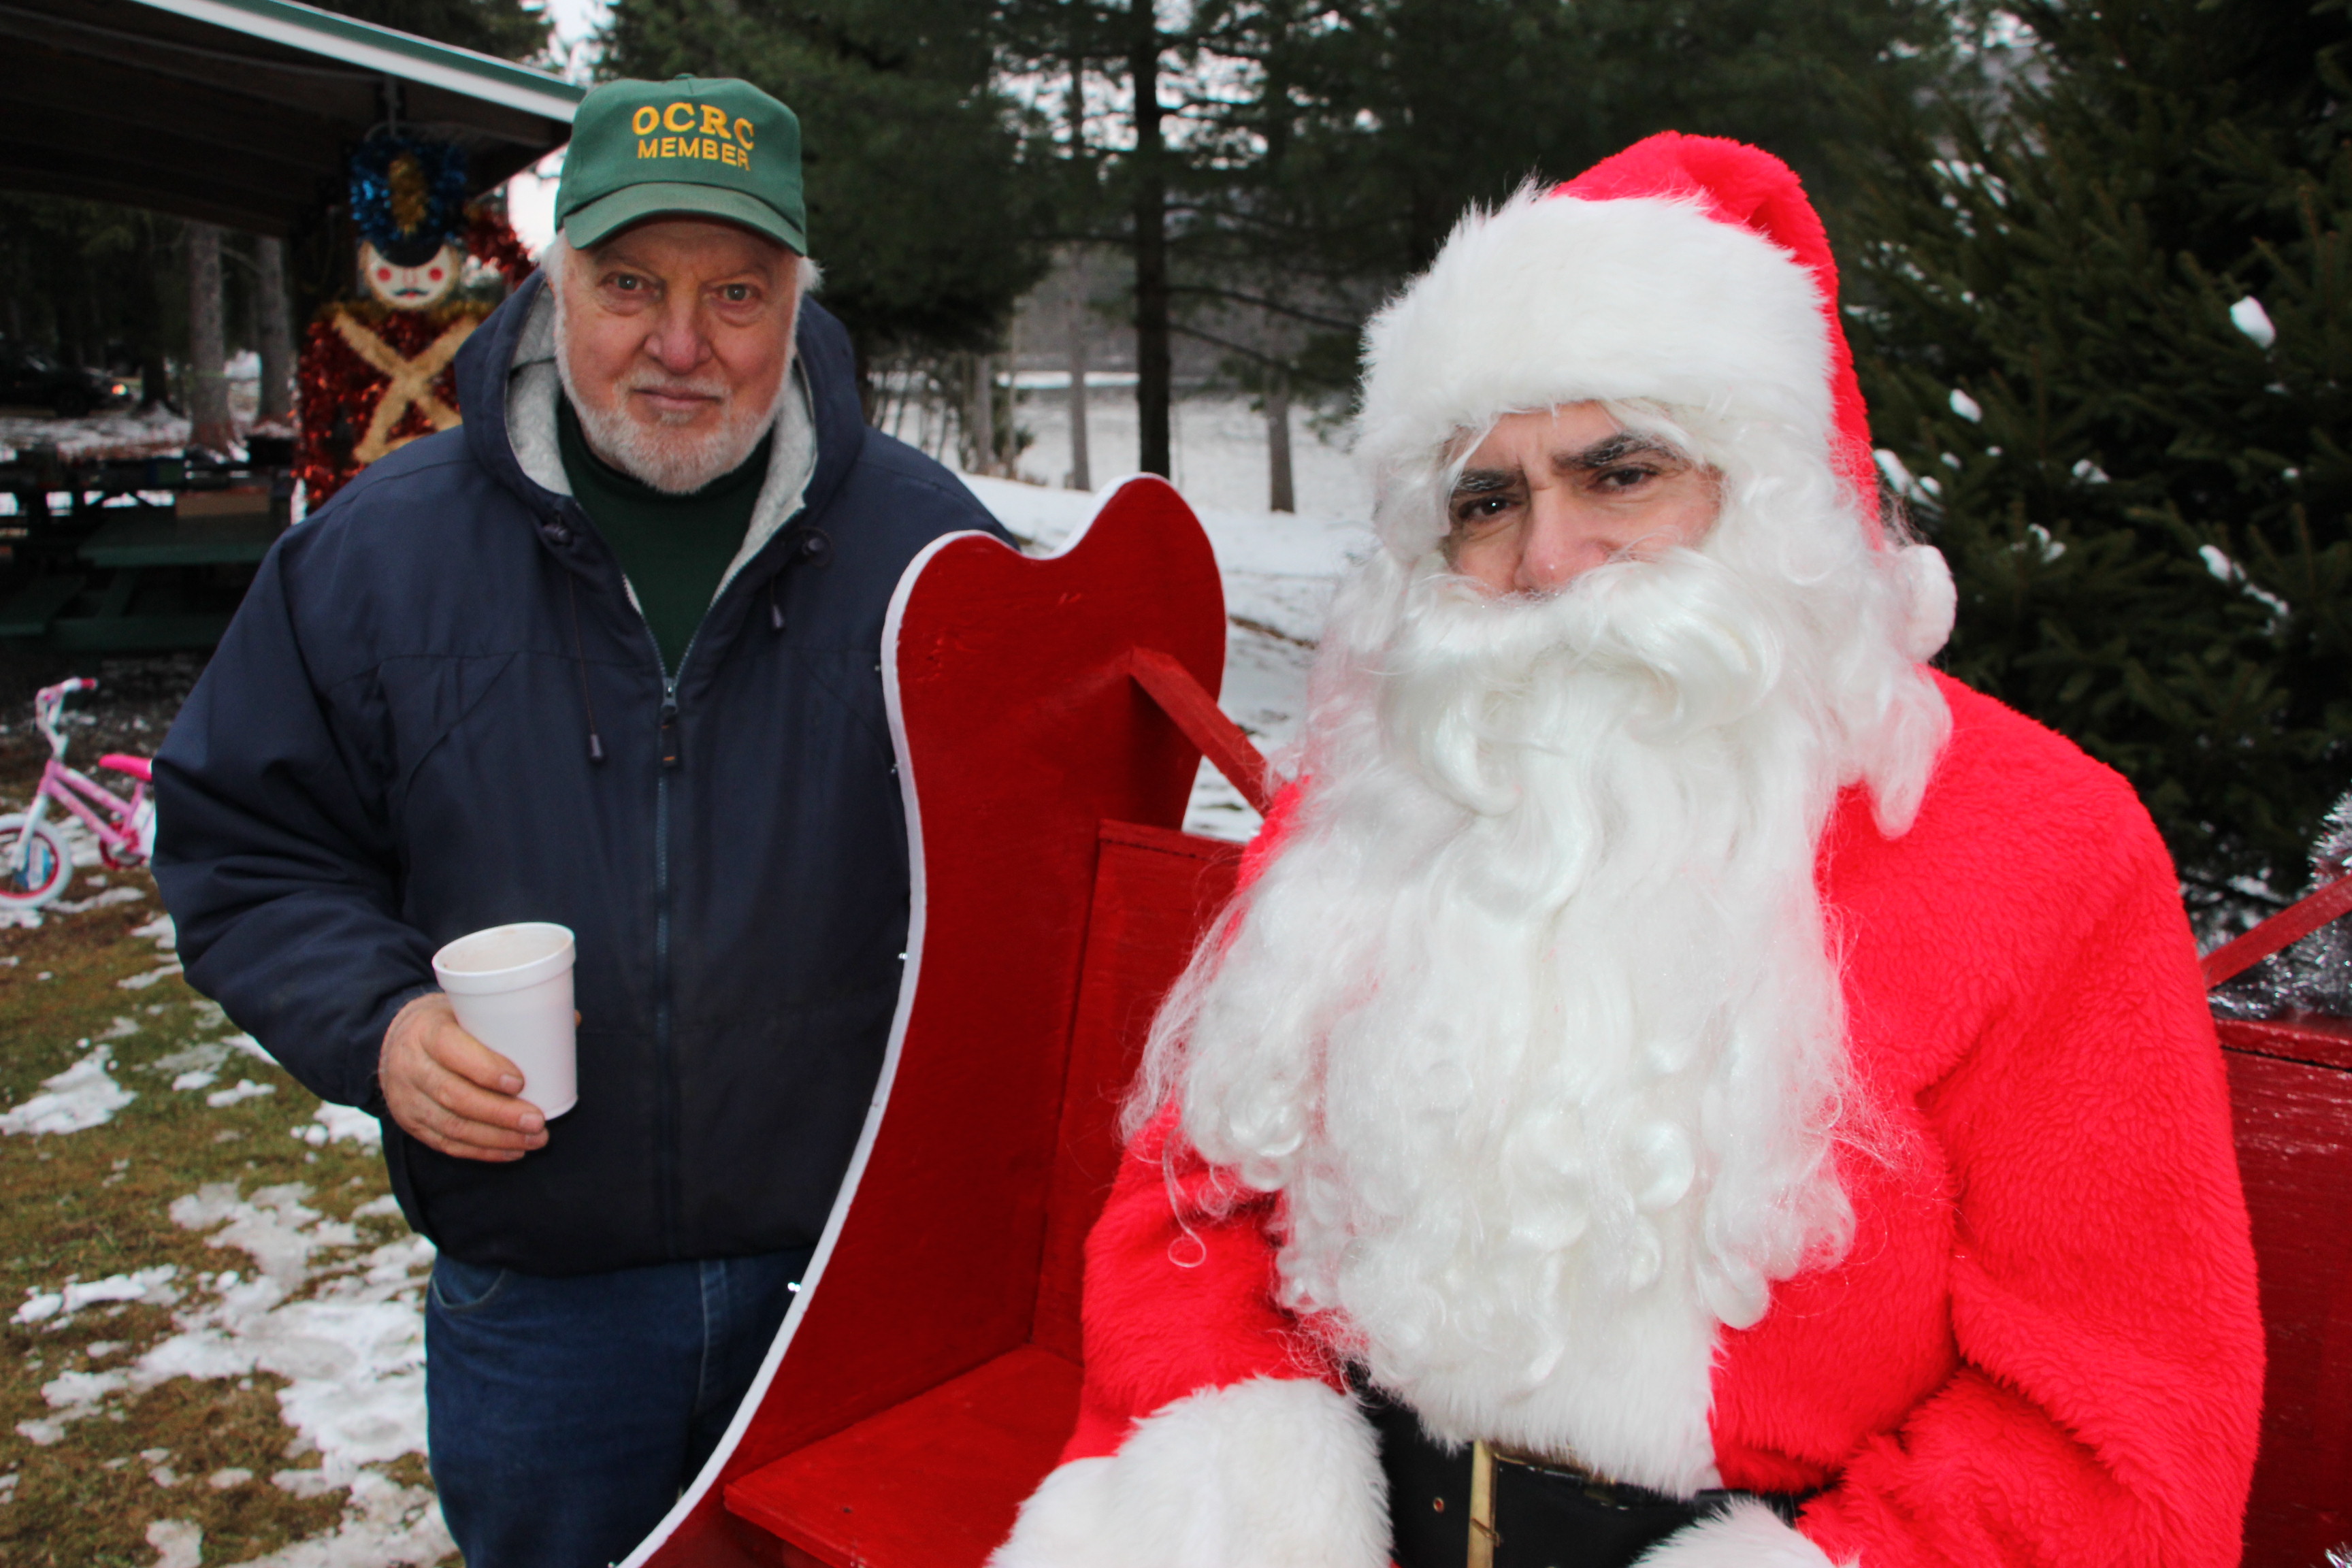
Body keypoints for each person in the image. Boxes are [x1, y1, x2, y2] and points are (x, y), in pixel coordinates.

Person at [992, 134, 2264, 1568]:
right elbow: (1191, 1208)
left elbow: (2121, 1428)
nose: (1549, 560)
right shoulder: (1372, 801)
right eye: (1488, 500)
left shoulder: (2037, 841)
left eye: (1621, 473)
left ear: (1768, 489)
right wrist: (1237, 1478)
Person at [154, 75, 1008, 1568]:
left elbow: (1040, 878)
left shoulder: (930, 550)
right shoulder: (381, 554)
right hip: (540, 1296)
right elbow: (247, 843)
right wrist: (381, 1025)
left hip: (850, 1277)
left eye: (734, 293)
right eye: (630, 286)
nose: (680, 344)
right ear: (556, 287)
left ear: (795, 301)